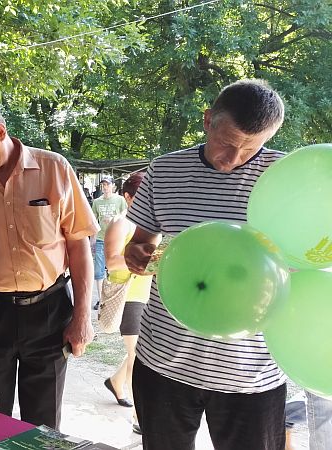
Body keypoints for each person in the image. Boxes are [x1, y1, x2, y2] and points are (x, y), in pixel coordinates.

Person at [124, 79, 287, 449]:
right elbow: (141, 243)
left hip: (250, 372)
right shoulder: (164, 171)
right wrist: (136, 256)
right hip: (165, 361)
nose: (232, 160)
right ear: (208, 119)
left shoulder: (284, 179)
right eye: (226, 144)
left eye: (249, 150)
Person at [0, 98, 98, 428]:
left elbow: (80, 247)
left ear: (0, 131)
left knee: (44, 423)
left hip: (49, 312)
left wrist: (82, 316)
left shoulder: (54, 169)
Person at [99, 172, 151, 432]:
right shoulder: (121, 222)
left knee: (138, 355)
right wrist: (147, 260)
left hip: (147, 296)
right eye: (140, 196)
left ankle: (116, 382)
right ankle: (139, 419)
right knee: (139, 358)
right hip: (127, 296)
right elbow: (111, 261)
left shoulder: (152, 225)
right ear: (127, 197)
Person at [91, 175, 126, 305]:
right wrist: (92, 241)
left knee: (113, 269)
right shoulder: (97, 202)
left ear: (113, 186)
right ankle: (101, 300)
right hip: (101, 239)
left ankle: (113, 297)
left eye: (107, 184)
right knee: (99, 271)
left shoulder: (120, 200)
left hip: (117, 240)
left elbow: (126, 219)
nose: (105, 187)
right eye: (103, 185)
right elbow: (94, 222)